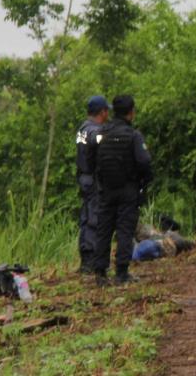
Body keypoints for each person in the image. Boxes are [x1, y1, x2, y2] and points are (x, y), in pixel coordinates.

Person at [88, 95, 152, 286]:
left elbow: (91, 156)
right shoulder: (133, 135)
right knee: (125, 230)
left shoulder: (101, 133)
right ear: (131, 112)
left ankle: (100, 273)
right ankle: (121, 273)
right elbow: (145, 161)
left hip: (106, 189)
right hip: (128, 188)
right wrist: (144, 182)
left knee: (104, 229)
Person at [75, 95, 109, 274]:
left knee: (87, 215)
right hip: (92, 179)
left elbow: (82, 148)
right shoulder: (93, 130)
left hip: (84, 177)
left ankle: (87, 258)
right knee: (93, 217)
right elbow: (96, 140)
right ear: (102, 112)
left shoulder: (81, 129)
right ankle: (89, 260)